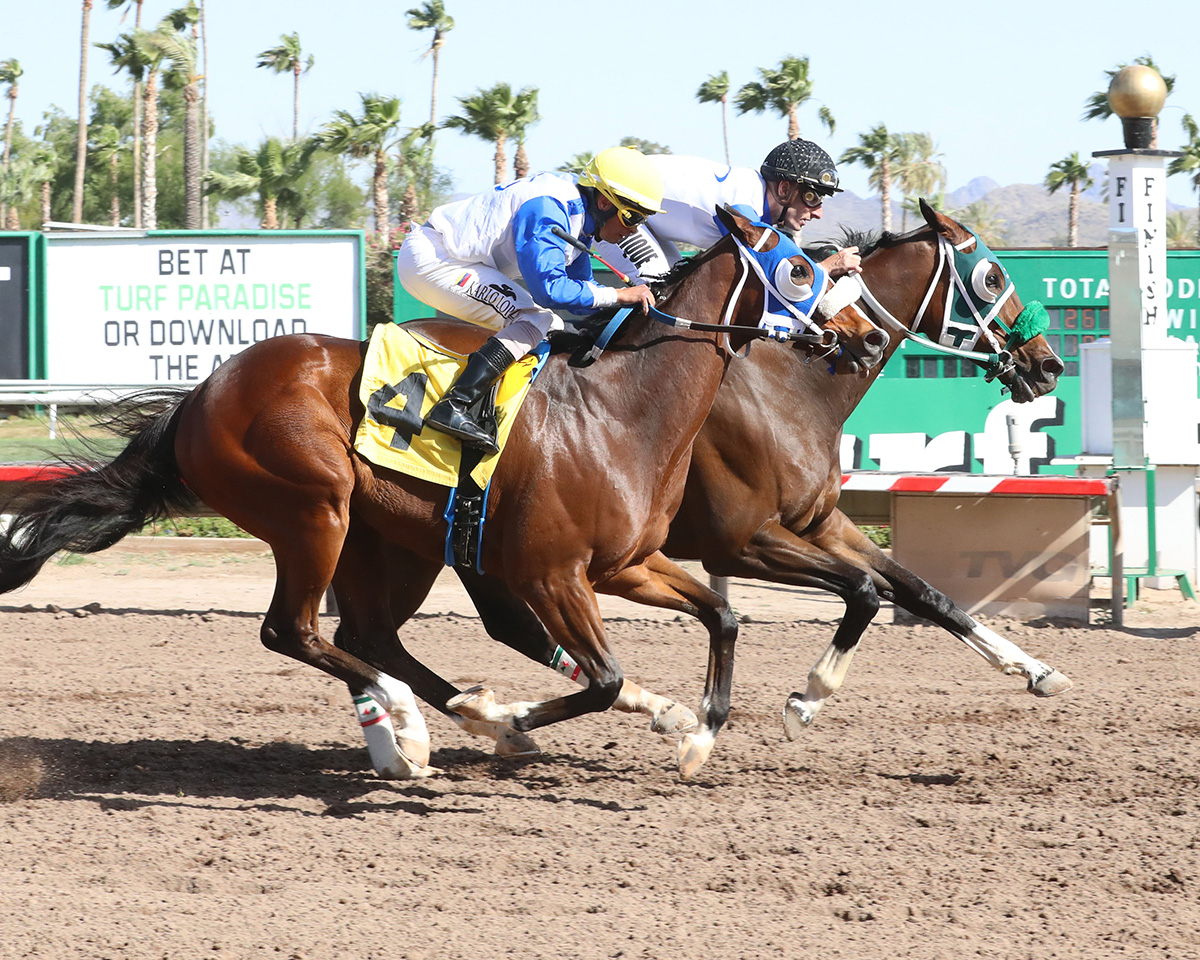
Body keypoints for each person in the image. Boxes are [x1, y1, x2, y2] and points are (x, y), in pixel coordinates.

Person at [395, 146, 665, 453]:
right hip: (435, 260)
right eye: (633, 217)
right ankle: (454, 405)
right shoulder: (549, 210)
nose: (634, 229)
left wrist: (623, 303)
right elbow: (550, 290)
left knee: (554, 325)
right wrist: (620, 294)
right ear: (604, 202)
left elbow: (579, 293)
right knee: (533, 319)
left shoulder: (579, 215)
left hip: (451, 259)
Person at [594, 139, 862, 286]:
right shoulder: (747, 200)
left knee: (680, 288)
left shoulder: (754, 201)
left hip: (647, 222)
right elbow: (776, 270)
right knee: (658, 287)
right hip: (616, 211)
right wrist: (827, 267)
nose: (818, 213)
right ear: (783, 187)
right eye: (812, 197)